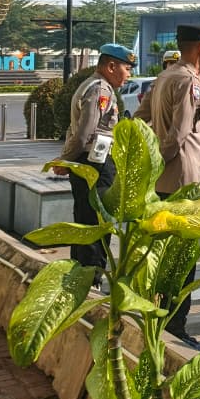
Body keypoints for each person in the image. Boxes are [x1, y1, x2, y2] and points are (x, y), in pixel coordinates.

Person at [135, 23, 200, 350]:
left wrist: (149, 160)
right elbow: (180, 133)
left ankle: (160, 318)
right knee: (182, 260)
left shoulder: (165, 76)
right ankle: (176, 327)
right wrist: (162, 158)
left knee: (162, 255)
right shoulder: (188, 80)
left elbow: (140, 117)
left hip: (162, 182)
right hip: (182, 180)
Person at [56, 42, 135, 282]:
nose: (129, 74)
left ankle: (81, 275)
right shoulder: (99, 89)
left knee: (86, 219)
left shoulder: (97, 87)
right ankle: (92, 278)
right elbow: (84, 134)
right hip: (94, 165)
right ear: (111, 66)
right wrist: (65, 161)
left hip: (91, 162)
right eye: (127, 68)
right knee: (96, 222)